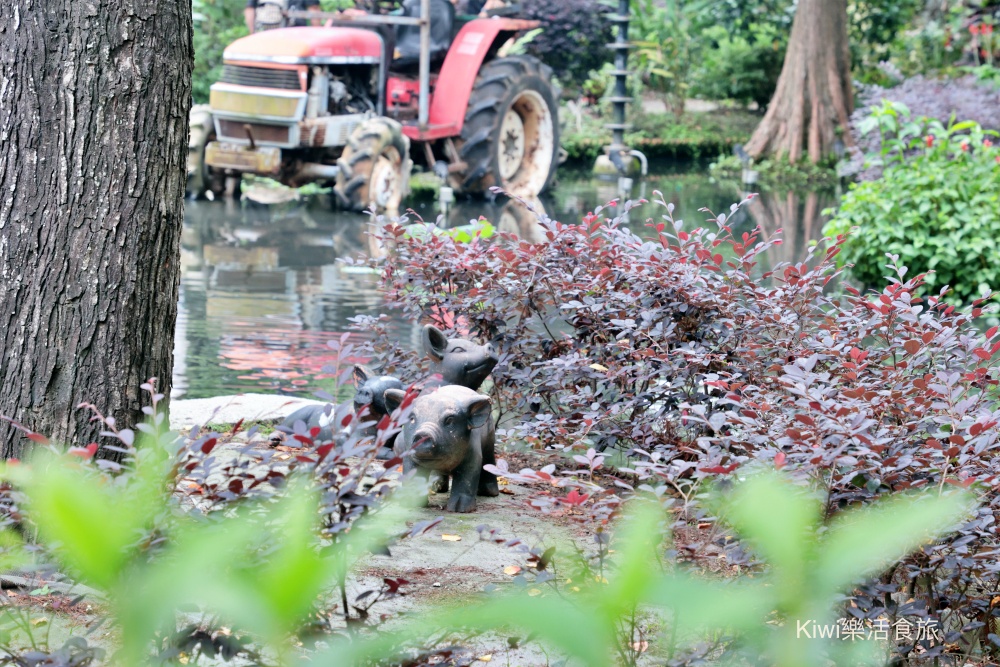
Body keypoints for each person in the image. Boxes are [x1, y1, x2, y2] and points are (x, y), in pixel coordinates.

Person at [244, 0, 322, 34]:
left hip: (266, 32)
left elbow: (250, 9)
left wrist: (253, 33)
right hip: (295, 33)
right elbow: (314, 10)